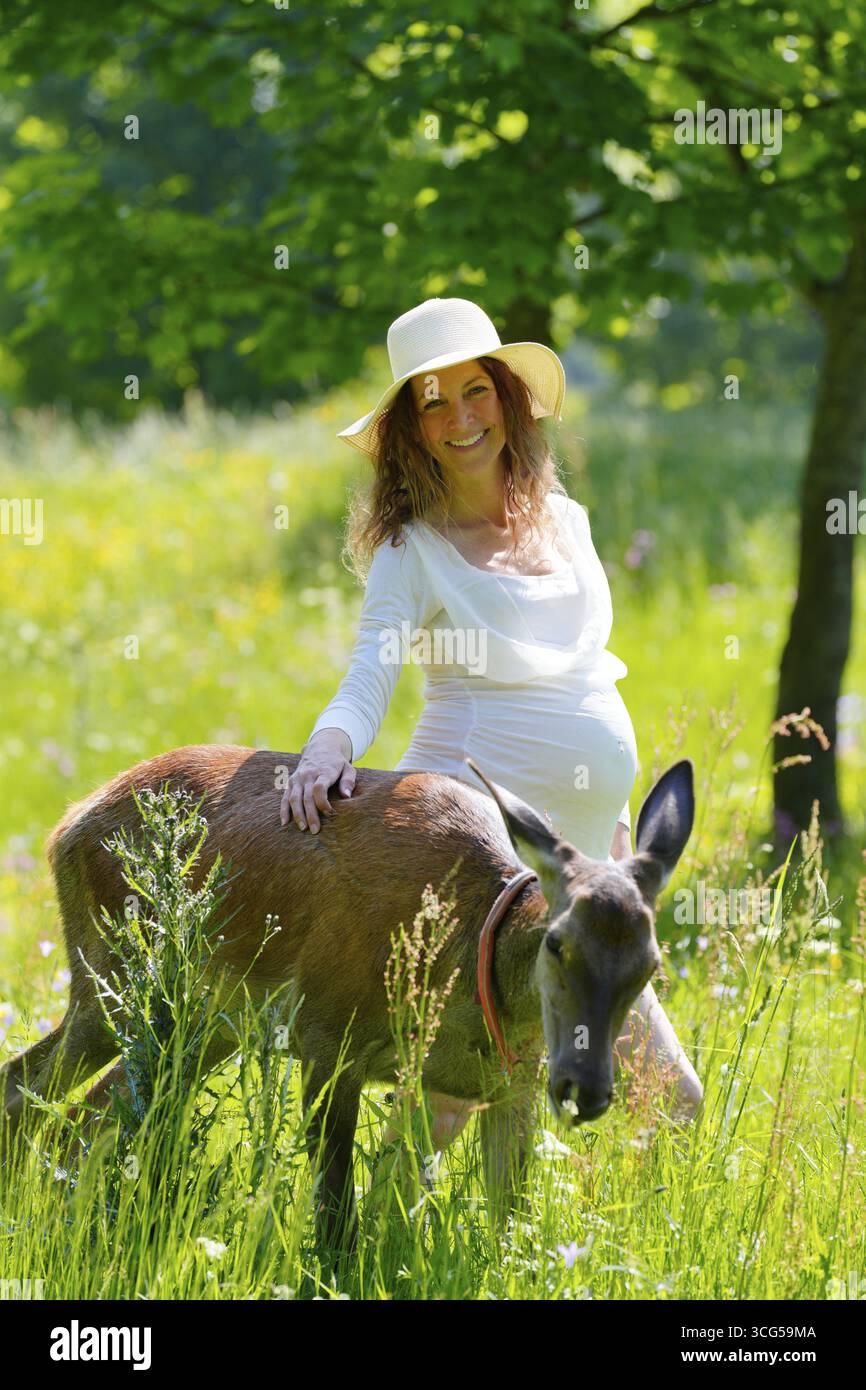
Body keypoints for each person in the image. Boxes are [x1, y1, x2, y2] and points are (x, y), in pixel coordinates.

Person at [280, 296, 703, 1143]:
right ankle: (382, 1264)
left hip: (576, 867)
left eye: (474, 390)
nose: (459, 417)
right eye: (432, 401)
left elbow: (591, 670)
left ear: (506, 397)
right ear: (411, 427)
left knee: (672, 1099)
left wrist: (613, 822)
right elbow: (372, 669)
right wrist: (328, 746)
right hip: (469, 850)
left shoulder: (568, 522)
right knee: (453, 1102)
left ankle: (554, 1260)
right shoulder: (413, 549)